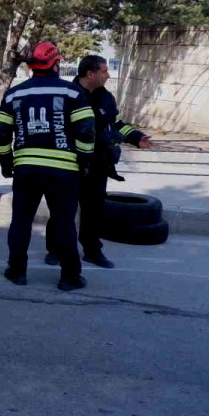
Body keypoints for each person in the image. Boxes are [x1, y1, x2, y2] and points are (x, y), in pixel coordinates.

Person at [0, 41, 95, 291]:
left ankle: (16, 271)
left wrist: (6, 163)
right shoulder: (72, 93)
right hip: (64, 171)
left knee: (21, 221)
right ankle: (70, 277)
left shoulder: (14, 94)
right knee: (64, 222)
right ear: (56, 64)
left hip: (26, 170)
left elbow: (2, 134)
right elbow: (86, 131)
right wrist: (84, 162)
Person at [44, 55, 153, 270]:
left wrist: (136, 137)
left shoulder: (106, 97)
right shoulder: (67, 94)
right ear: (90, 74)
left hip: (97, 163)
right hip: (70, 163)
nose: (108, 75)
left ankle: (92, 250)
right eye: (104, 71)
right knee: (62, 209)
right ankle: (55, 249)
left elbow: (116, 123)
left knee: (93, 210)